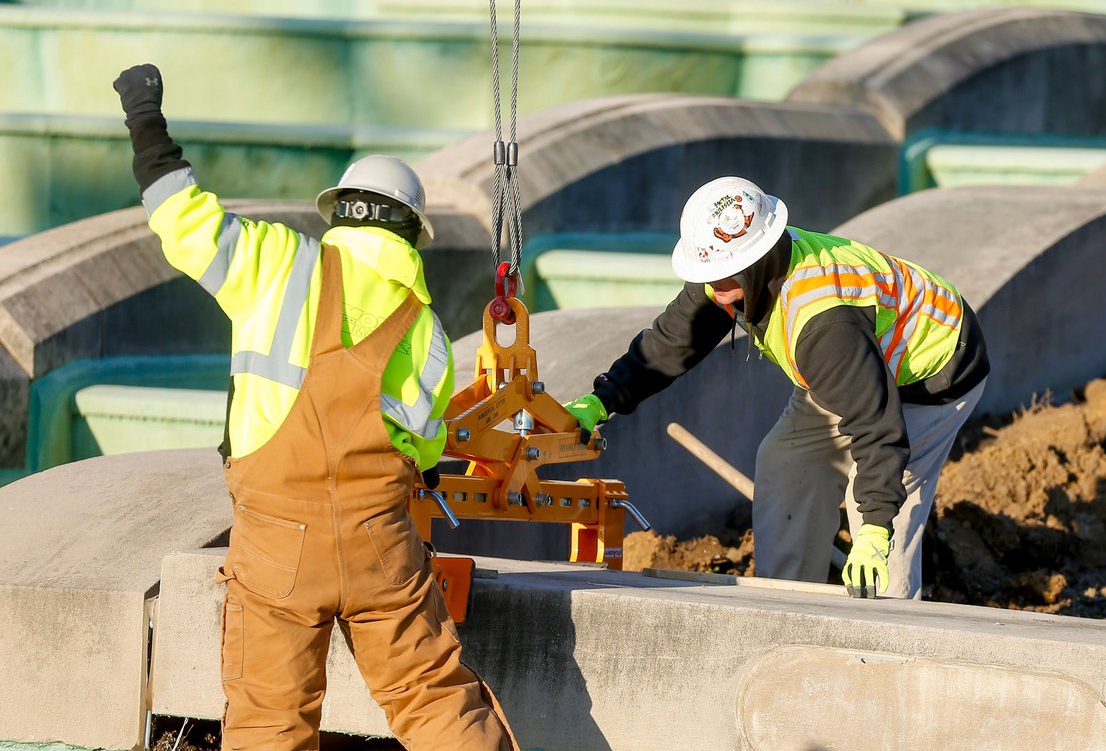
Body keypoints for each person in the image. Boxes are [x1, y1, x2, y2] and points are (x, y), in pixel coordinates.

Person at [113, 63, 516, 750]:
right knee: (432, 699)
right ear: (409, 232)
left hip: (276, 544)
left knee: (271, 721)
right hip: (378, 545)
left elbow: (179, 217)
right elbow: (419, 452)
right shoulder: (427, 330)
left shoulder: (275, 261)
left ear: (342, 210)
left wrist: (144, 117)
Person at [565, 176, 989, 599]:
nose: (715, 291)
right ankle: (787, 604)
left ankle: (891, 630)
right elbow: (671, 341)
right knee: (786, 462)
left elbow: (878, 430)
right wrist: (602, 401)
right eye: (709, 275)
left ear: (760, 261)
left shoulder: (824, 322)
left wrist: (877, 529)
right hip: (854, 370)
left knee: (878, 513)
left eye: (725, 278)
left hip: (933, 372)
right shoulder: (730, 274)